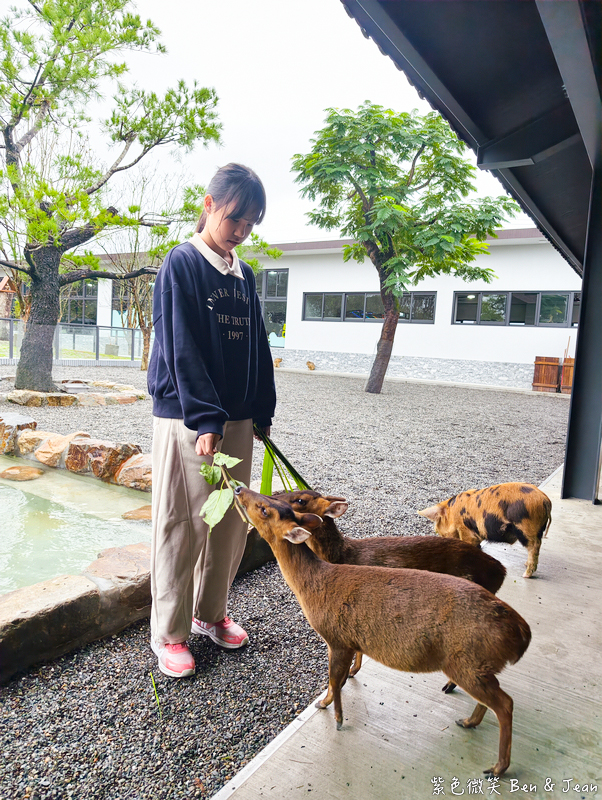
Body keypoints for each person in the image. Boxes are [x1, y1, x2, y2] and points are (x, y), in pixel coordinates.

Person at [147, 163, 276, 678]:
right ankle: (170, 633)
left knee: (228, 526)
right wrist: (204, 420)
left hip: (238, 419)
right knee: (181, 524)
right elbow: (181, 347)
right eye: (235, 219)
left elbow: (258, 351)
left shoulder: (243, 276)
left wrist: (261, 410)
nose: (242, 231)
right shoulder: (181, 264)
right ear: (209, 205)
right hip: (188, 420)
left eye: (251, 223)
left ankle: (210, 614)